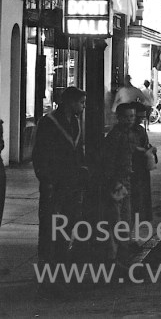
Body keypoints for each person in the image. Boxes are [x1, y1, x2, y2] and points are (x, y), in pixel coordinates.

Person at [32, 87, 89, 262]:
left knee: (67, 221)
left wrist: (82, 169)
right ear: (70, 102)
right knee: (50, 224)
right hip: (54, 182)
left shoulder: (75, 122)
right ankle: (47, 260)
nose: (83, 107)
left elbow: (78, 150)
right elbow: (41, 154)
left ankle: (61, 256)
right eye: (81, 103)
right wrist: (46, 179)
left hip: (72, 182)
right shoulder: (48, 122)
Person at [101, 103, 136, 262]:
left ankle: (122, 254)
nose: (130, 120)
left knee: (125, 219)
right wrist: (114, 182)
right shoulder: (116, 136)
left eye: (132, 117)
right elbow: (109, 162)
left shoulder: (129, 134)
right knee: (117, 221)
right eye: (127, 117)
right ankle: (115, 257)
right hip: (117, 183)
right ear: (119, 118)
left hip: (125, 181)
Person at [129, 104, 154, 224]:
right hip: (131, 171)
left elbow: (146, 144)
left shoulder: (140, 130)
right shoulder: (122, 133)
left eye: (143, 117)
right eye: (138, 117)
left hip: (141, 171)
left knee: (139, 204)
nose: (140, 120)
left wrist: (149, 150)